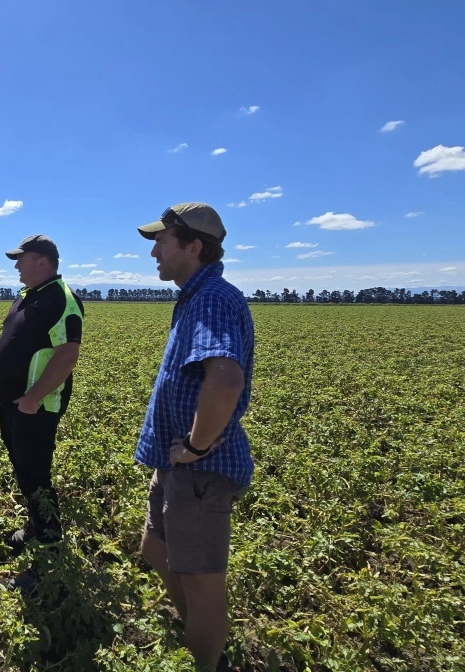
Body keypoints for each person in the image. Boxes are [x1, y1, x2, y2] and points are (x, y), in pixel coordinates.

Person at [133, 203, 255, 672]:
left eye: (162, 242)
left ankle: (210, 660)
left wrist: (195, 447)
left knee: (201, 582)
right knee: (155, 550)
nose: (155, 253)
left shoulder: (211, 299)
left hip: (199, 470)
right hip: (177, 465)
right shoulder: (196, 296)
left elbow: (225, 381)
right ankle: (200, 632)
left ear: (193, 247)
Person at [0, 234, 85, 581]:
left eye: (22, 258)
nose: (16, 265)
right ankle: (35, 527)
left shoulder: (62, 298)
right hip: (14, 403)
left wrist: (32, 398)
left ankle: (48, 555)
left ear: (41, 261)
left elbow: (66, 356)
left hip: (36, 407)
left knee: (36, 476)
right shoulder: (29, 296)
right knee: (24, 470)